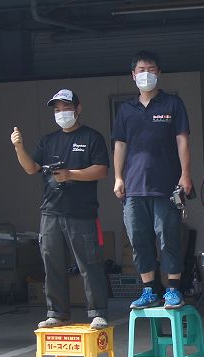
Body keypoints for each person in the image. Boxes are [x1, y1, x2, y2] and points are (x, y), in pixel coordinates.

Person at [11, 89, 110, 330]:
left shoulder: (91, 137)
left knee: (89, 264)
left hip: (82, 212)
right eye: (57, 110)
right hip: (51, 211)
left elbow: (102, 170)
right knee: (52, 263)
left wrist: (70, 174)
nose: (62, 113)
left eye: (66, 108)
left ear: (78, 109)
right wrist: (19, 147)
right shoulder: (47, 140)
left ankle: (97, 312)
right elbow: (31, 168)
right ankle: (57, 313)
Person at [112, 50, 192, 309]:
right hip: (133, 188)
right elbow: (120, 145)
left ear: (159, 73)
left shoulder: (172, 104)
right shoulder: (126, 110)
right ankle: (148, 289)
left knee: (169, 237)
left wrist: (185, 174)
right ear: (133, 75)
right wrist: (118, 177)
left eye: (151, 70)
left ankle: (173, 289)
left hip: (166, 186)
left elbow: (182, 141)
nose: (146, 74)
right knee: (139, 239)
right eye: (141, 70)